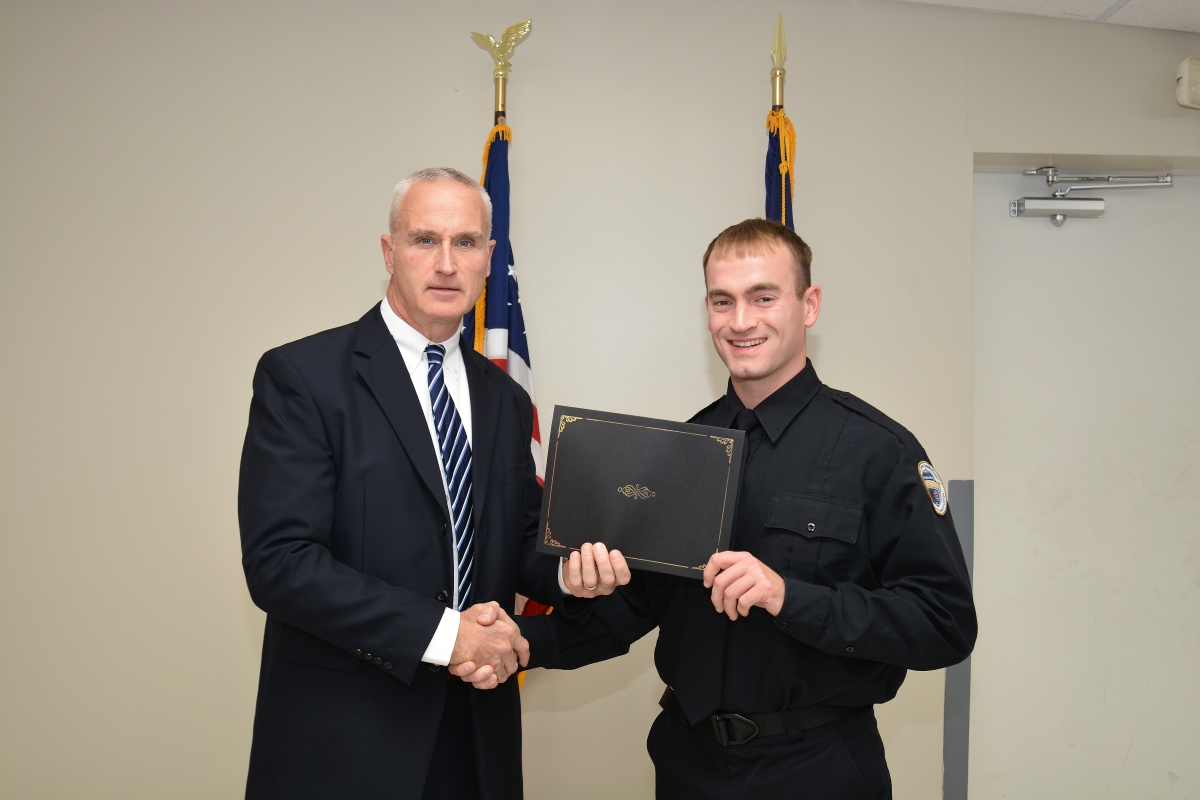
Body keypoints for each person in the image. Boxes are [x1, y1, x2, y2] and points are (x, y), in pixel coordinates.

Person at [517, 219, 977, 799]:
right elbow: (637, 608)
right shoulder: (685, 449)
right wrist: (520, 641)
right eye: (722, 301)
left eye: (764, 297)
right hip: (688, 766)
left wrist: (788, 597)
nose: (740, 321)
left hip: (817, 770)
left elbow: (944, 623)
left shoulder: (878, 451)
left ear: (809, 305)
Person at [238, 167, 629, 800]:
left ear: (489, 260)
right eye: (425, 240)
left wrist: (569, 572)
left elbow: (521, 536)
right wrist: (449, 636)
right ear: (389, 252)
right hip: (344, 743)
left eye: (466, 243)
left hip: (475, 738)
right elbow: (281, 564)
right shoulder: (303, 377)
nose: (447, 263)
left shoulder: (502, 398)